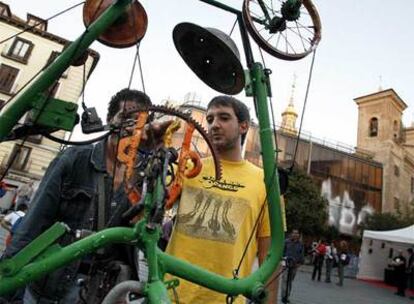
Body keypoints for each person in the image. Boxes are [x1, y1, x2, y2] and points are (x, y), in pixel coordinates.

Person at [2, 88, 154, 303]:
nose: (131, 128)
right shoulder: (74, 159)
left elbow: (139, 240)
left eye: (139, 122)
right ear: (110, 120)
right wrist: (8, 287)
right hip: (51, 284)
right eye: (126, 119)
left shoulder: (144, 177)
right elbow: (33, 222)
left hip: (99, 292)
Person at [166, 96, 276, 303]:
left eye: (224, 118)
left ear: (243, 126)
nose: (214, 124)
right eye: (210, 119)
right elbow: (144, 200)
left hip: (226, 298)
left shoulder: (264, 181)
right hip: (170, 295)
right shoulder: (187, 167)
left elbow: (268, 253)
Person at [281, 229, 304, 304]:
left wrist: (300, 263)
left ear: (298, 235)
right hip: (286, 265)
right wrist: (283, 262)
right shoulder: (286, 242)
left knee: (290, 281)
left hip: (294, 266)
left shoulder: (300, 244)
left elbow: (301, 255)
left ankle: (287, 296)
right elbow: (282, 252)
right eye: (294, 233)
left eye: (296, 233)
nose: (295, 234)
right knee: (285, 280)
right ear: (291, 234)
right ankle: (284, 296)